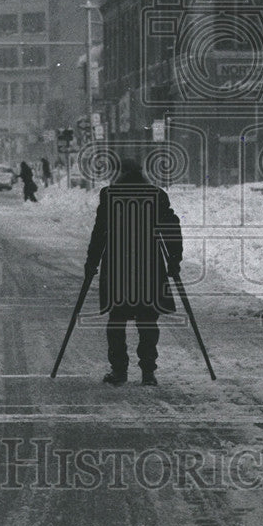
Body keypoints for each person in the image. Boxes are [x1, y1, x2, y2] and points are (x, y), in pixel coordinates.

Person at [84, 158, 182, 387]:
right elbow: (171, 228)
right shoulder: (156, 195)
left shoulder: (109, 195)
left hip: (118, 265)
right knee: (148, 320)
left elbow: (100, 232)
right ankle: (148, 371)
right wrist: (174, 259)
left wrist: (92, 262)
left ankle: (119, 370)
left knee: (117, 319)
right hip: (149, 265)